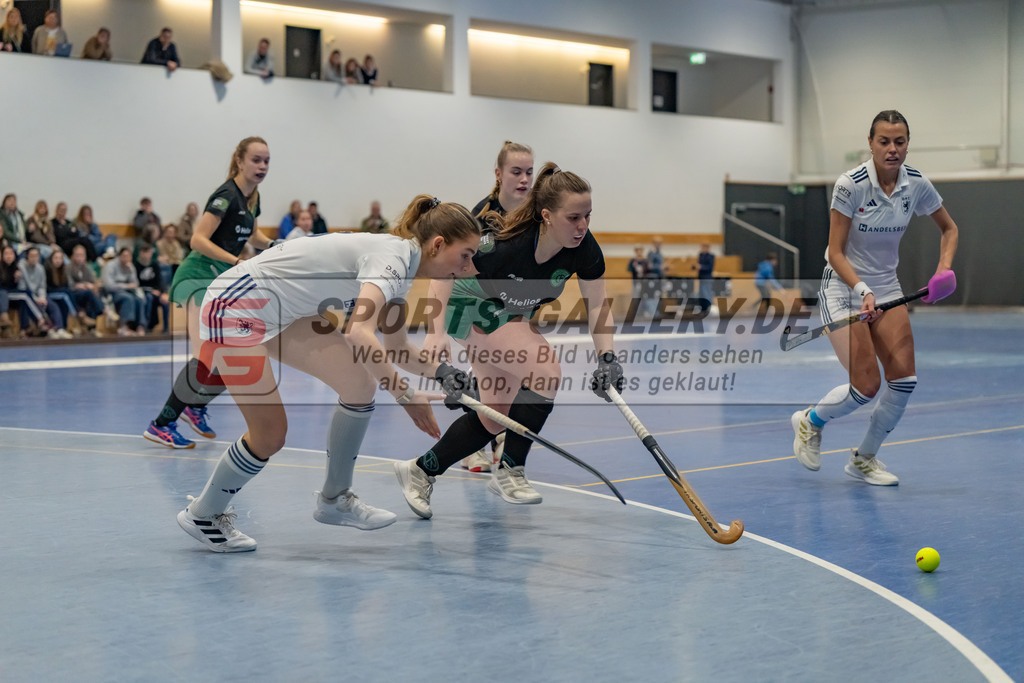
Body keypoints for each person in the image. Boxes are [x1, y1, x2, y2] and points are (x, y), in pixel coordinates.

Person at [175, 195, 481, 552]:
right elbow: (359, 332)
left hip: (280, 312)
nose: (469, 268)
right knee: (270, 435)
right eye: (465, 255)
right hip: (233, 305)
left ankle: (334, 498)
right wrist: (405, 395)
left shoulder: (402, 269)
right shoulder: (392, 261)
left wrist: (446, 374)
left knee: (359, 384)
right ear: (438, 244)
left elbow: (397, 349)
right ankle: (203, 513)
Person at [396, 162, 623, 517]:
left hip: (509, 312)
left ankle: (421, 470)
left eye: (587, 216)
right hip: (469, 302)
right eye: (573, 217)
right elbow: (444, 272)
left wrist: (607, 358)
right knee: (545, 369)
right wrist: (435, 332)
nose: (582, 226)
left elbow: (598, 307)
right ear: (547, 215)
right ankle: (511, 469)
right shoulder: (505, 245)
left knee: (494, 415)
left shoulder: (585, 249)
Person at [791, 109, 959, 486]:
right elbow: (835, 251)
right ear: (870, 143)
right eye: (884, 141)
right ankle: (810, 421)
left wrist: (943, 269)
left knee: (904, 382)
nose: (892, 149)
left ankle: (864, 459)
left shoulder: (915, 184)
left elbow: (949, 229)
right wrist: (861, 291)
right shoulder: (850, 185)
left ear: (907, 145)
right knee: (865, 387)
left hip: (886, 287)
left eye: (900, 142)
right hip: (843, 287)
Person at [143, 137, 274, 449]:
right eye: (256, 160)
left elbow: (253, 234)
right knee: (205, 355)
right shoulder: (225, 195)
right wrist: (235, 261)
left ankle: (195, 404)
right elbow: (198, 240)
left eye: (267, 161)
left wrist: (278, 247)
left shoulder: (253, 197)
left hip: (219, 281)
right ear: (239, 161)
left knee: (236, 352)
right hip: (197, 277)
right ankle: (161, 424)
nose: (262, 166)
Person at [458, 140, 535, 472]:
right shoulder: (482, 215)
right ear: (499, 174)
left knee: (513, 376)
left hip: (517, 302)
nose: (523, 179)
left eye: (529, 172)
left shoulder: (536, 212)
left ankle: (499, 436)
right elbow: (460, 265)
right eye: (516, 171)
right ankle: (473, 447)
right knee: (486, 375)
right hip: (475, 302)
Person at [19, 247, 68, 338]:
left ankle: (60, 329)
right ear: (27, 257)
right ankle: (47, 328)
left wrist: (42, 297)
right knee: (32, 304)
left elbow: (42, 286)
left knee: (52, 305)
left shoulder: (40, 268)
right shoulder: (21, 268)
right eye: (32, 256)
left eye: (36, 256)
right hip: (28, 296)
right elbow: (22, 288)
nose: (34, 258)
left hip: (39, 296)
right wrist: (35, 298)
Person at [101, 247, 146, 336]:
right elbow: (108, 285)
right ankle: (123, 327)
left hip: (128, 291)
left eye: (129, 256)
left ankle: (140, 326)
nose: (126, 258)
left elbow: (135, 283)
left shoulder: (130, 266)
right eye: (124, 256)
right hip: (113, 293)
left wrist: (130, 271)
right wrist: (125, 286)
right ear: (119, 256)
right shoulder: (110, 266)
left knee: (139, 299)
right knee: (128, 298)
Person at [66, 243, 105, 330]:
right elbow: (70, 284)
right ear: (73, 256)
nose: (80, 257)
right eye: (78, 255)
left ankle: (92, 327)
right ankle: (102, 309)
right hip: (74, 294)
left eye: (82, 255)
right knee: (89, 294)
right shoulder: (68, 268)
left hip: (86, 294)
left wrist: (88, 285)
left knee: (93, 294)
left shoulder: (86, 268)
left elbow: (92, 282)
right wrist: (81, 285)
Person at [44, 249, 82, 336]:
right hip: (49, 293)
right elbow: (47, 287)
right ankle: (76, 315)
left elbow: (66, 285)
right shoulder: (47, 270)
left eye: (60, 258)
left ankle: (63, 327)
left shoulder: (64, 270)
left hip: (60, 294)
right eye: (56, 258)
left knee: (64, 300)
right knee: (65, 294)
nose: (58, 261)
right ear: (51, 259)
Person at [136, 244, 169, 333]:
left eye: (148, 252)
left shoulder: (155, 266)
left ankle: (166, 328)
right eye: (144, 252)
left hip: (155, 291)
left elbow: (159, 282)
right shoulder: (136, 266)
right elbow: (136, 283)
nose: (146, 255)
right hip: (143, 292)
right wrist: (149, 290)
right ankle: (146, 325)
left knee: (165, 301)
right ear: (140, 253)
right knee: (148, 297)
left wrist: (162, 292)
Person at [627, 245, 648, 316]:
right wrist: (633, 266)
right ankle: (636, 313)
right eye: (637, 250)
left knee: (644, 297)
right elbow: (628, 269)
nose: (639, 252)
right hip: (635, 282)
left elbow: (648, 270)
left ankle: (643, 312)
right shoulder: (633, 261)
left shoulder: (645, 261)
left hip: (643, 282)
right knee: (636, 297)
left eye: (640, 250)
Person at [696, 242, 715, 307]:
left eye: (704, 247)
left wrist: (701, 267)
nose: (703, 249)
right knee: (701, 294)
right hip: (701, 277)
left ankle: (709, 307)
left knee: (707, 293)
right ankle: (703, 308)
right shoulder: (701, 255)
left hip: (707, 278)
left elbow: (710, 267)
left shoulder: (711, 256)